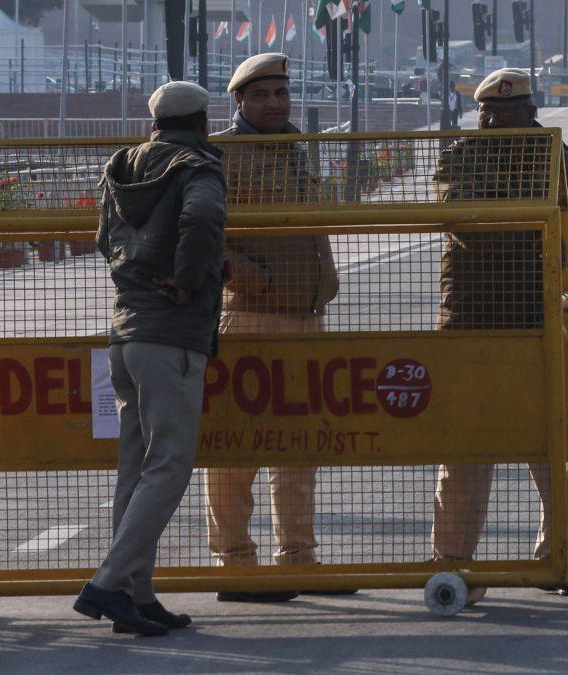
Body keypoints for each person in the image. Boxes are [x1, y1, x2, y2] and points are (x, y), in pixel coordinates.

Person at [431, 67, 568, 598]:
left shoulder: (557, 156)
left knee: (555, 442)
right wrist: (535, 235)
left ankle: (557, 558)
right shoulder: (460, 155)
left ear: (531, 112)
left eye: (505, 113)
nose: (493, 121)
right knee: (466, 447)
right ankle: (454, 565)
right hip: (473, 318)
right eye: (487, 113)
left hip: (540, 317)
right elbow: (462, 219)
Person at [74, 80, 226, 636]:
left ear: (154, 124)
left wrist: (141, 280)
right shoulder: (198, 167)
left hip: (125, 332)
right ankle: (107, 585)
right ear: (203, 123)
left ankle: (134, 596)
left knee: (135, 469)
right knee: (169, 465)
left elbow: (103, 240)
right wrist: (187, 279)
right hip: (171, 336)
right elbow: (203, 219)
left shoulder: (122, 168)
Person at [203, 53, 343, 603]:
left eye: (281, 93)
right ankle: (235, 562)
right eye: (260, 95)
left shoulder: (296, 147)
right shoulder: (221, 153)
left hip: (305, 315)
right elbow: (204, 230)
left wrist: (324, 281)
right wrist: (250, 277)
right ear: (238, 101)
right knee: (236, 444)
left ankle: (298, 559)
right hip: (250, 314)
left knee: (300, 444)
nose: (274, 104)